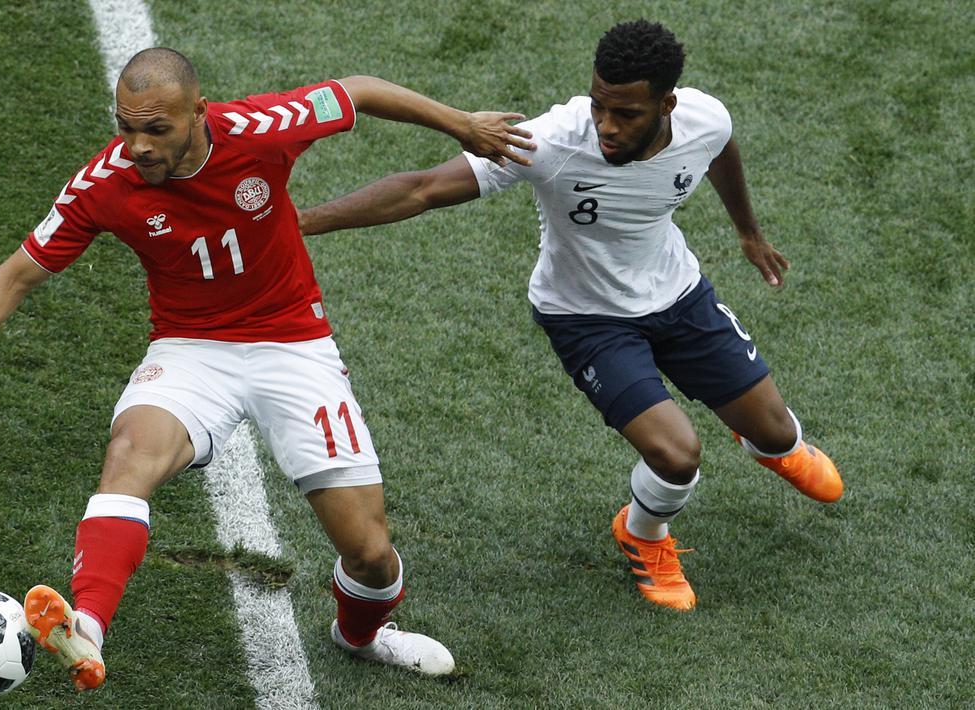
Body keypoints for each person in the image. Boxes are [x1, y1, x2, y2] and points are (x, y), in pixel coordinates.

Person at [0, 48, 534, 688]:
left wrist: (462, 124)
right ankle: (87, 627)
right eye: (125, 126)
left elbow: (357, 90)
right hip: (189, 348)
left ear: (198, 113)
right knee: (130, 454)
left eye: (156, 130)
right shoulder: (104, 184)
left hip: (293, 344)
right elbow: (15, 275)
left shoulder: (260, 131)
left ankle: (359, 636)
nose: (138, 146)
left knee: (368, 553)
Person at [299, 20, 843, 612]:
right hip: (587, 320)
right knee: (677, 454)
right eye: (598, 105)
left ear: (667, 105)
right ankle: (643, 533)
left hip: (679, 295)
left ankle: (763, 434)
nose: (606, 125)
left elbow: (721, 151)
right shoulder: (553, 142)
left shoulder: (704, 118)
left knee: (777, 435)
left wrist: (748, 233)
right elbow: (422, 188)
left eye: (626, 114)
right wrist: (301, 223)